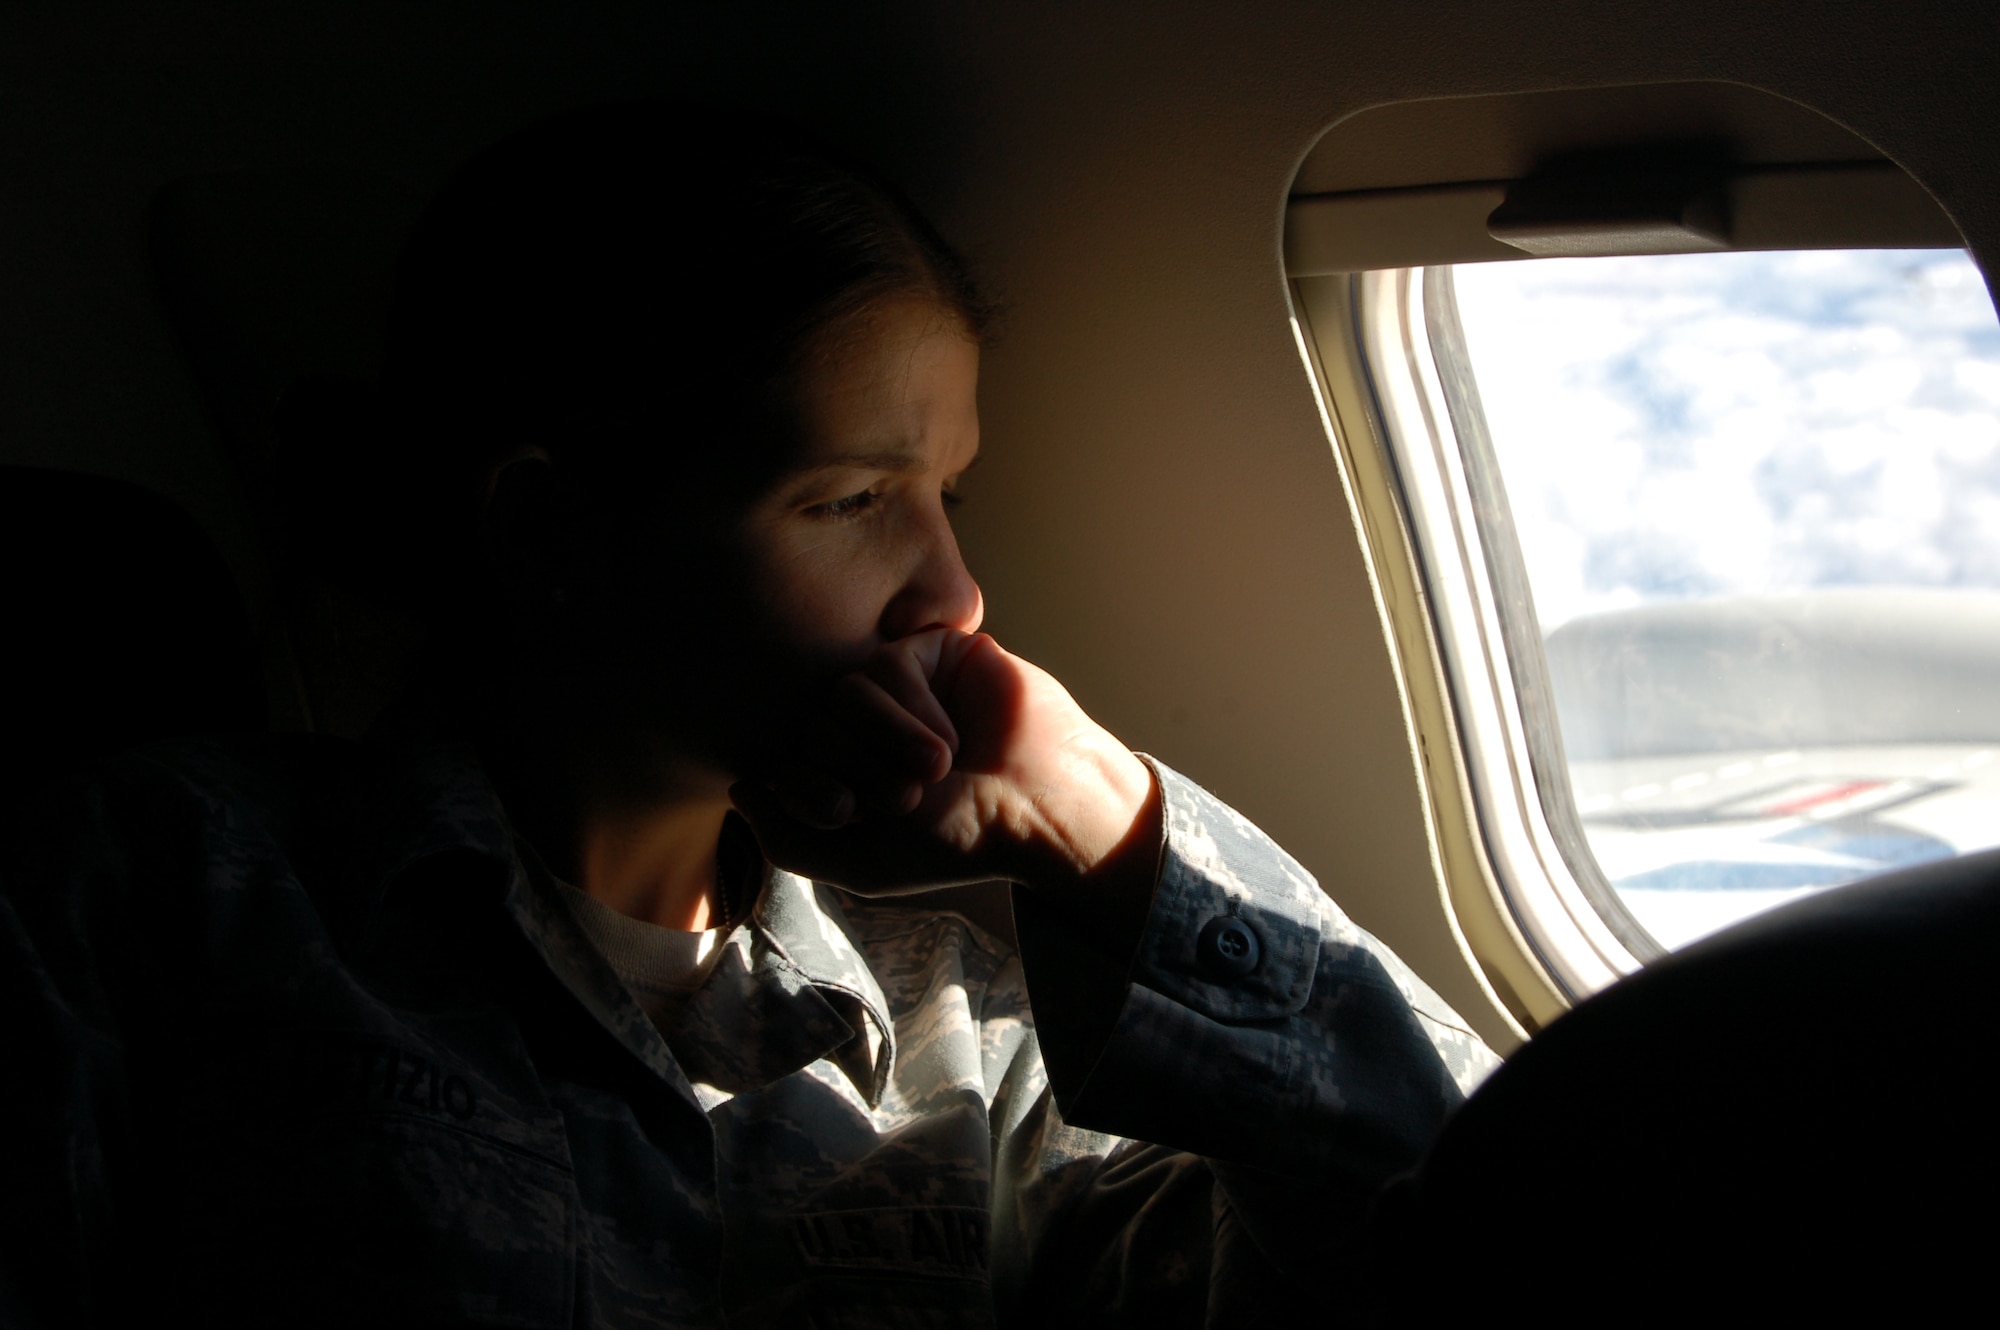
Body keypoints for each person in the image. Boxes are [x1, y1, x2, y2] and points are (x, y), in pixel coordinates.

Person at [0, 101, 1498, 1328]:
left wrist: (1114, 825)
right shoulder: (169, 891)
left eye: (946, 497)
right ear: (551, 532)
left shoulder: (962, 1043)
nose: (955, 592)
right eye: (848, 500)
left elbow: (1483, 1232)